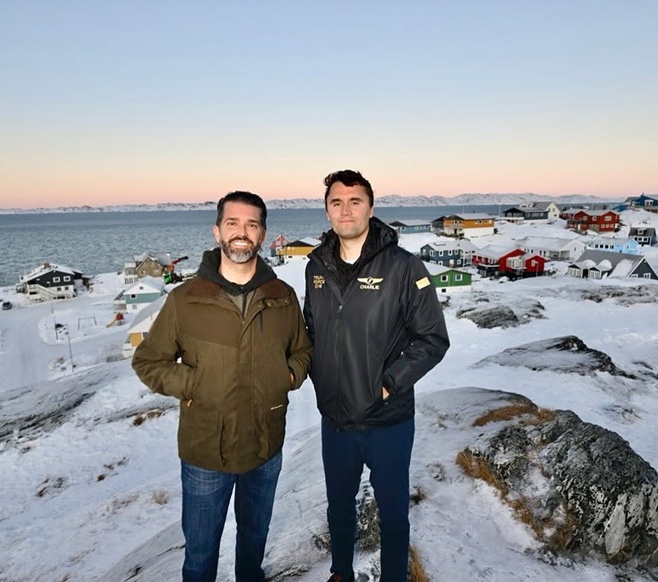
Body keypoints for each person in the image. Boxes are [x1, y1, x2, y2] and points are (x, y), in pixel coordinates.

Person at [133, 191, 312, 582]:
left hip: (265, 449)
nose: (241, 233)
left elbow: (303, 351)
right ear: (217, 231)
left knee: (254, 543)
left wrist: (289, 376)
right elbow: (148, 361)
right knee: (200, 555)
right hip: (205, 455)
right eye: (233, 223)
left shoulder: (282, 297)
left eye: (251, 224)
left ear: (263, 234)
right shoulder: (186, 300)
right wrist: (194, 382)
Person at [303, 170, 450, 582]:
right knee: (339, 507)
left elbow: (433, 339)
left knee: (392, 512)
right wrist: (317, 376)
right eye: (336, 202)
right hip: (335, 419)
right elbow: (311, 331)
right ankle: (340, 573)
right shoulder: (316, 267)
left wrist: (388, 384)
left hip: (387, 420)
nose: (345, 209)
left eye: (354, 201)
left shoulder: (404, 267)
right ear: (328, 209)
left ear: (370, 207)